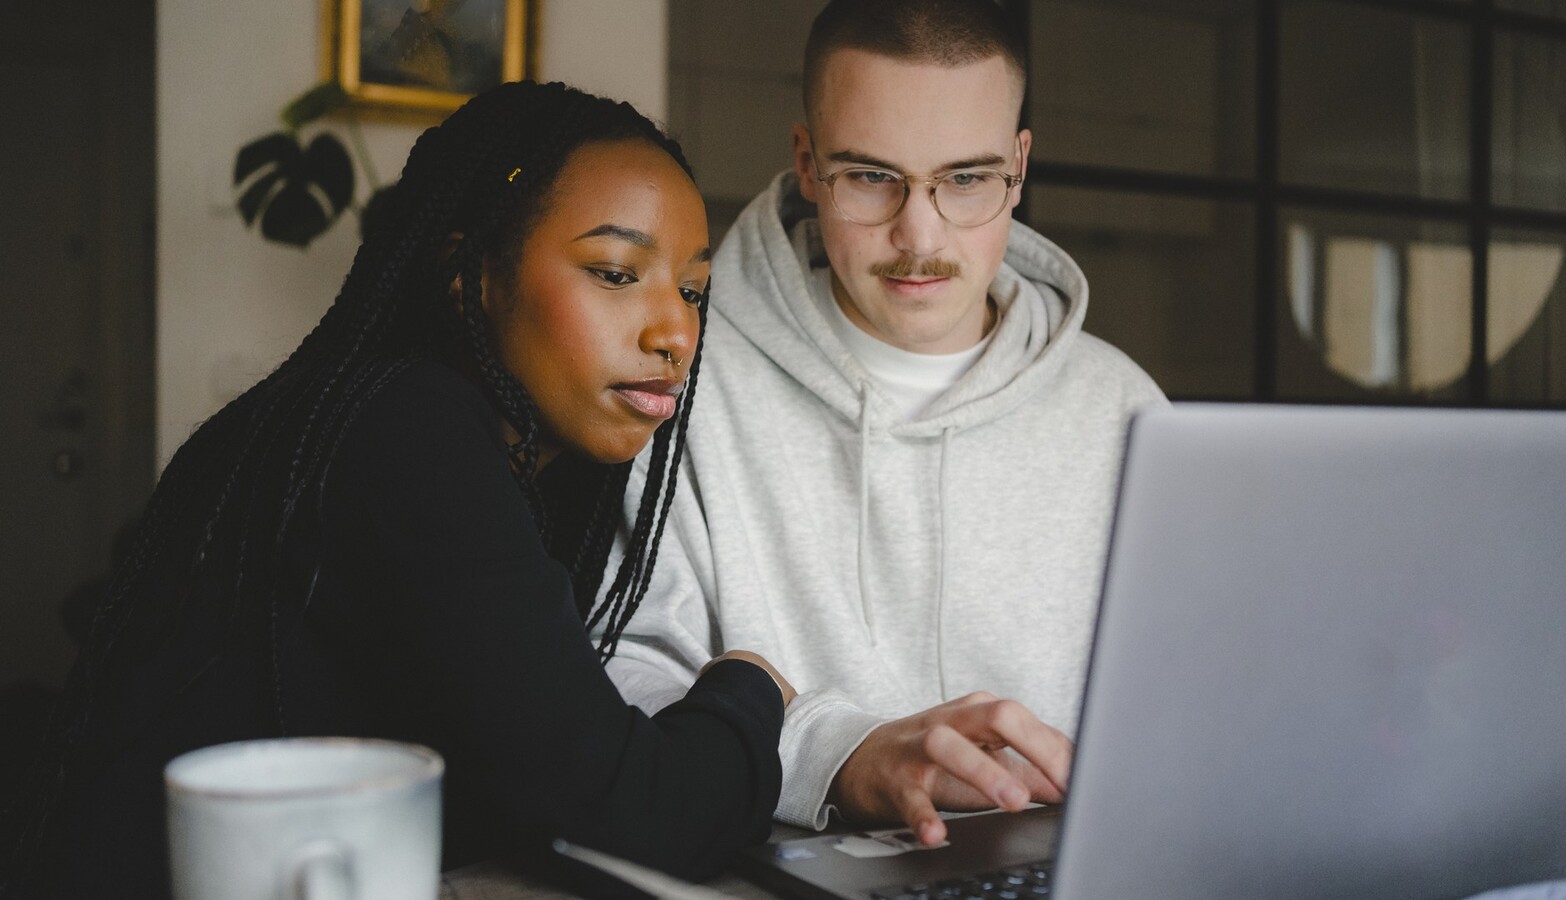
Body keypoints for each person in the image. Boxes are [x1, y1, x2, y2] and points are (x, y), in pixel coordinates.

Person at [0, 81, 794, 899]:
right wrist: (752, 691)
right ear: (468, 276)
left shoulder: (461, 444)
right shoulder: (408, 432)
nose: (673, 332)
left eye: (693, 290)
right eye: (615, 272)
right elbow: (637, 813)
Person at [603, 0, 1168, 847]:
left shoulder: (1126, 409)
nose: (919, 234)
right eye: (871, 176)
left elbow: (1201, 697)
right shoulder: (683, 384)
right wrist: (836, 756)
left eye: (967, 180)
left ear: (1019, 165)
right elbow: (622, 680)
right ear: (806, 162)